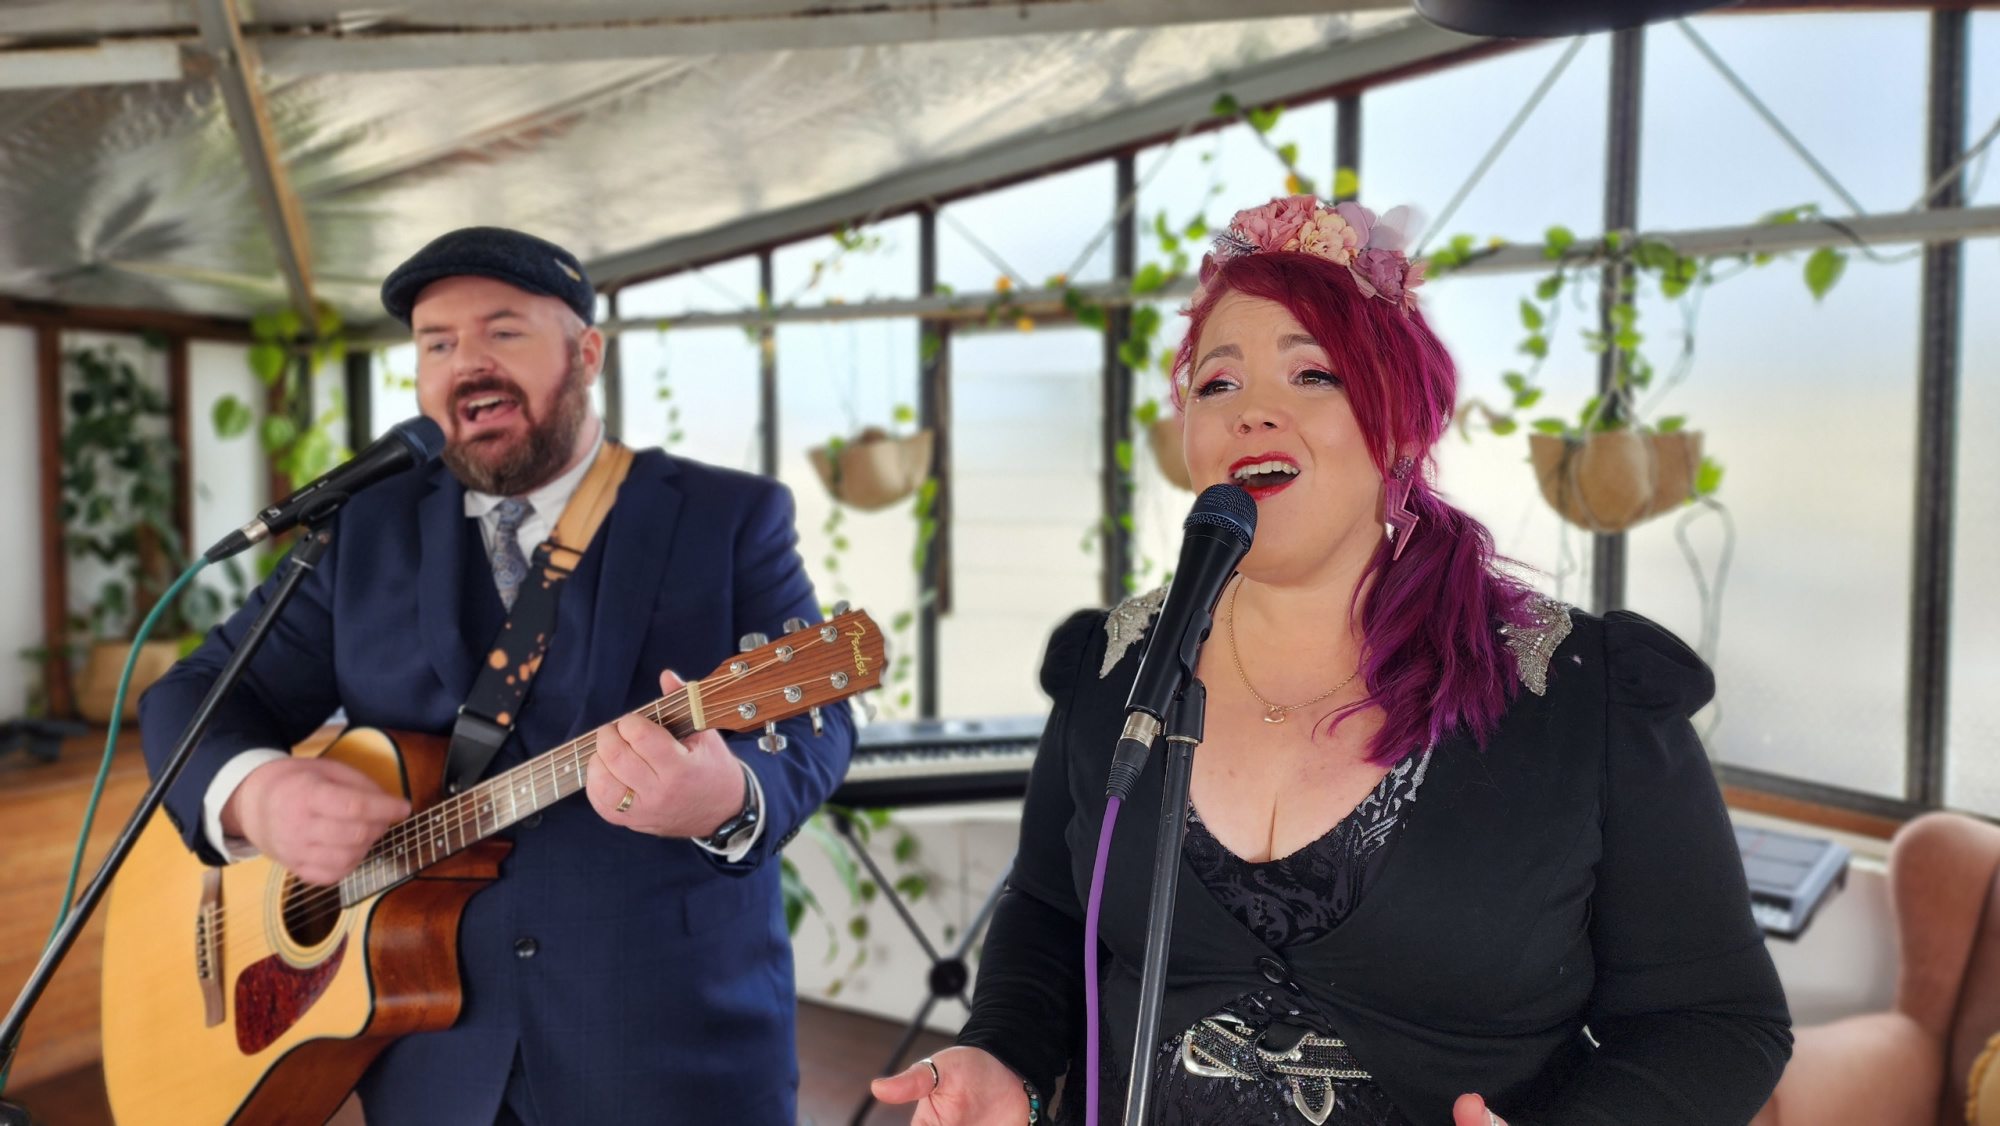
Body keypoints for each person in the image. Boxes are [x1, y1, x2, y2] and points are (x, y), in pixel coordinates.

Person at [872, 195, 1790, 1126]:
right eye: (1217, 385)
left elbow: (1717, 1020)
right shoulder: (1116, 669)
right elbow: (1048, 908)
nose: (1254, 412)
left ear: (1398, 424)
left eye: (1314, 374)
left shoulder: (1576, 694)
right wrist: (1004, 1058)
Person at [138, 227, 853, 1126]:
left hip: (668, 1051)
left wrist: (730, 797)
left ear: (585, 353)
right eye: (437, 343)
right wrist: (256, 796)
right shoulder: (365, 527)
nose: (466, 364)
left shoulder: (727, 517)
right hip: (422, 1057)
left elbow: (817, 725)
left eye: (503, 332)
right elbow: (194, 694)